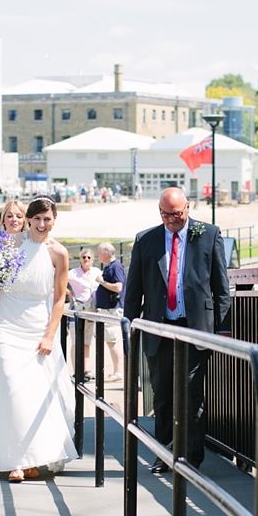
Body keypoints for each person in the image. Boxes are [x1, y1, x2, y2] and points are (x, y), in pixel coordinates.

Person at [0, 196, 77, 482]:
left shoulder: (58, 253)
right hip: (7, 326)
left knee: (34, 393)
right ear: (29, 220)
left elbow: (60, 299)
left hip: (37, 327)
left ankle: (31, 459)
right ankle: (15, 460)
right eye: (36, 218)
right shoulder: (10, 245)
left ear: (54, 221)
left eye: (47, 219)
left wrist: (50, 335)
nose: (41, 224)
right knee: (11, 386)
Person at [124, 188, 231, 472]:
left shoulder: (208, 234)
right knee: (162, 395)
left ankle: (191, 458)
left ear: (188, 207)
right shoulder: (145, 240)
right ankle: (164, 453)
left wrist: (224, 329)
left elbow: (221, 287)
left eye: (177, 213)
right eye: (165, 214)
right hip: (159, 329)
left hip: (195, 328)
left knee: (192, 392)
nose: (171, 219)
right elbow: (133, 290)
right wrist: (130, 328)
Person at [66, 249, 102, 380]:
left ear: (92, 259)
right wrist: (68, 293)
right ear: (80, 259)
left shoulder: (96, 272)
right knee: (76, 341)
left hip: (91, 310)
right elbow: (58, 279)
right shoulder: (73, 273)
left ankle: (85, 369)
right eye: (83, 257)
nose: (86, 259)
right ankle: (77, 370)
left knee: (87, 341)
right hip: (78, 308)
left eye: (89, 257)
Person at [94, 242, 126, 382]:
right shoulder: (110, 267)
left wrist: (101, 282)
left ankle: (118, 371)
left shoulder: (116, 267)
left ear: (106, 253)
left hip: (112, 309)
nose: (97, 255)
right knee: (111, 340)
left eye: (99, 252)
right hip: (108, 309)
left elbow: (118, 287)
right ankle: (117, 370)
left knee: (112, 340)